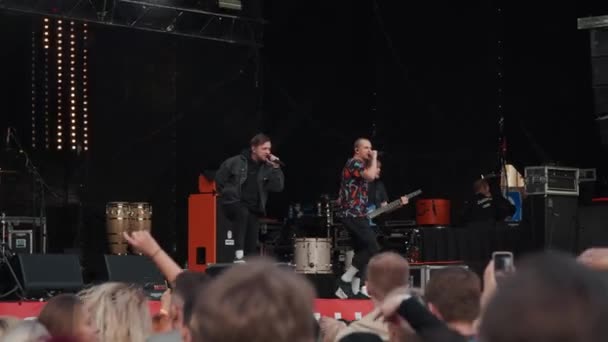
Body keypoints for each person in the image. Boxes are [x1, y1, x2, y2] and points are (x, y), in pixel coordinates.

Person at [335, 138, 408, 299]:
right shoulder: (354, 163)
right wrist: (374, 157)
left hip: (357, 213)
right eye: (366, 148)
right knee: (373, 248)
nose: (369, 150)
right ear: (357, 150)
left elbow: (381, 202)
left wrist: (398, 205)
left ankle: (352, 290)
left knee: (362, 250)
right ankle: (344, 280)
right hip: (353, 214)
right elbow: (369, 176)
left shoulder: (362, 169)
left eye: (371, 148)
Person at [215, 133, 285, 262]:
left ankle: (245, 262)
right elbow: (219, 179)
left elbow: (278, 187)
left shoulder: (268, 167)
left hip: (254, 209)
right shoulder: (235, 162)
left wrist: (275, 167)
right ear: (254, 148)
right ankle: (238, 252)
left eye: (269, 149)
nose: (268, 152)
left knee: (251, 245)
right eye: (264, 149)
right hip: (235, 203)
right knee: (242, 211)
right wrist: (228, 194)